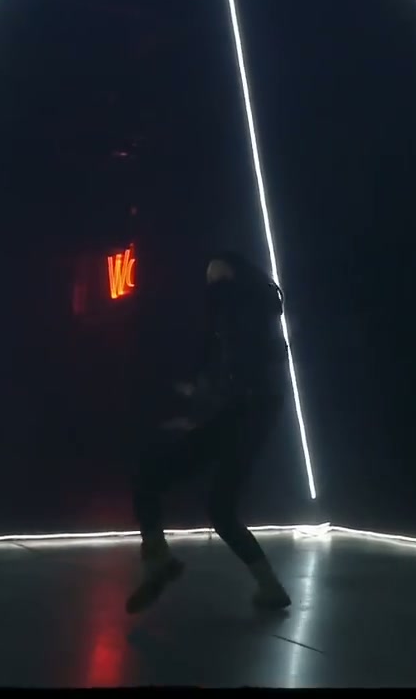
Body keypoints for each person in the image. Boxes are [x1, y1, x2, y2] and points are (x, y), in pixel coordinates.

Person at [126, 251, 293, 614]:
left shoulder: (241, 318)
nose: (212, 286)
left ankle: (162, 562)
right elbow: (237, 376)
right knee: (200, 499)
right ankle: (268, 586)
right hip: (238, 417)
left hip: (239, 418)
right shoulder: (245, 317)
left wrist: (201, 407)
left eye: (218, 278)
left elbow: (240, 379)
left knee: (189, 494)